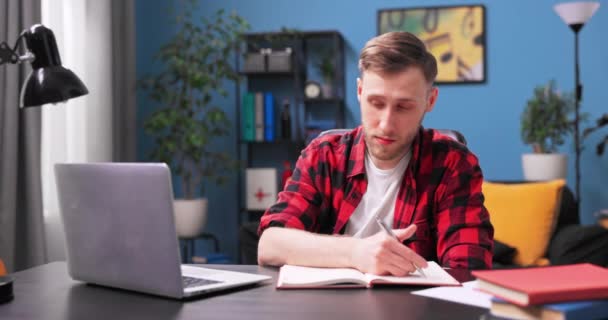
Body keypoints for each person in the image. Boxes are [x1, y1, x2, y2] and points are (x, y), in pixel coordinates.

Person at [257, 31, 494, 275]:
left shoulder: (452, 164)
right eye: (376, 103)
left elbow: (469, 270)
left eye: (403, 107)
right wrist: (355, 253)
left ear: (430, 101)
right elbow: (270, 244)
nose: (386, 124)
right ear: (359, 92)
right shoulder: (323, 155)